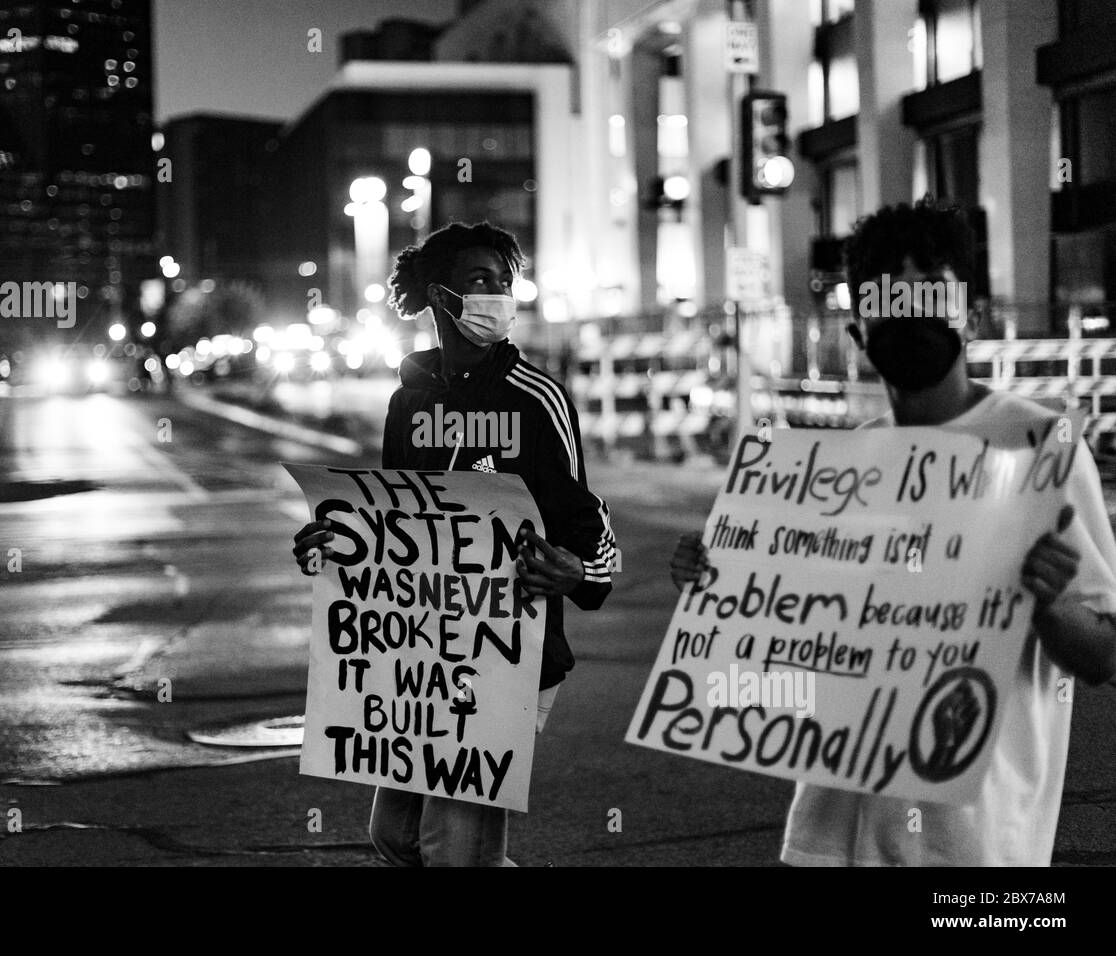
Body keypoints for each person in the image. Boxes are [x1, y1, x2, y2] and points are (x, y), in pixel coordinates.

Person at [669, 198, 1116, 865]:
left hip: (971, 844)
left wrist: (1050, 603)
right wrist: (722, 590)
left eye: (931, 296)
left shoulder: (1038, 451)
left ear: (972, 315)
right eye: (890, 302)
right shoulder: (837, 471)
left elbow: (1102, 654)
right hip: (827, 835)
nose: (911, 318)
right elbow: (798, 655)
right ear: (858, 333)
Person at [292, 221, 619, 866]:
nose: (498, 296)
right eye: (479, 282)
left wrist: (580, 573)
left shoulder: (537, 399)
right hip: (424, 662)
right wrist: (332, 537)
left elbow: (588, 517)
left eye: (506, 282)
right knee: (396, 838)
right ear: (440, 296)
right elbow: (390, 522)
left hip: (512, 652)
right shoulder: (407, 403)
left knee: (454, 850)